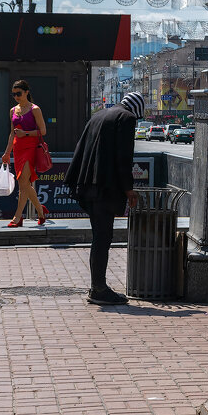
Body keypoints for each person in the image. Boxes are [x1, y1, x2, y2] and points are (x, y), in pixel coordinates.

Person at [65, 92, 143, 306]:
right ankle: (98, 288)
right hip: (104, 188)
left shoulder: (99, 115)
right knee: (103, 237)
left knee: (100, 236)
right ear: (136, 111)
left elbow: (81, 148)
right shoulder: (126, 118)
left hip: (87, 185)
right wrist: (129, 189)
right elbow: (123, 157)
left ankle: (97, 286)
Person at [1, 79, 49, 228]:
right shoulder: (12, 111)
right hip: (17, 149)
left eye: (19, 93)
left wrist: (26, 134)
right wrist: (7, 153)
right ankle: (41, 211)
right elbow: (12, 134)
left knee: (23, 184)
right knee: (25, 184)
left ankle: (17, 217)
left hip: (30, 148)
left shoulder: (35, 109)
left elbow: (43, 131)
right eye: (14, 94)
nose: (16, 97)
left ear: (26, 92)